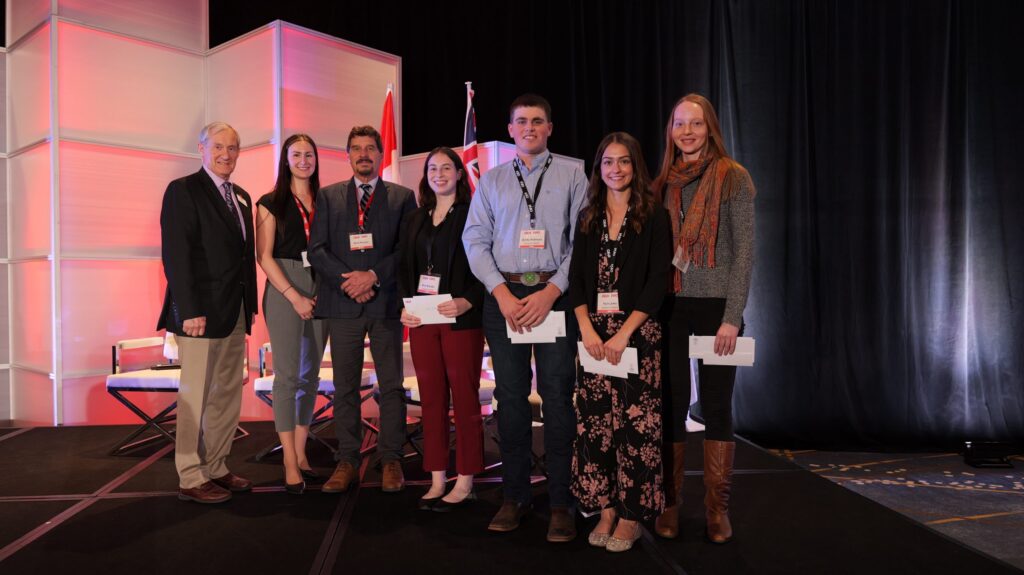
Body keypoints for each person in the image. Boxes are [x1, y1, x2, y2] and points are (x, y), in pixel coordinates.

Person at [463, 93, 587, 542]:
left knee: (557, 399)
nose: (530, 128)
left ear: (549, 128)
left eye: (538, 121)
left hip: (554, 294)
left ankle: (560, 502)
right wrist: (500, 292)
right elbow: (474, 240)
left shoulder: (574, 174)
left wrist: (552, 291)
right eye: (521, 122)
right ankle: (514, 496)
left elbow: (583, 242)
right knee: (510, 400)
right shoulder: (492, 180)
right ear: (511, 130)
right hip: (506, 299)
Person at [652, 94, 756, 543]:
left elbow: (744, 253)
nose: (687, 132)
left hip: (717, 313)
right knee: (670, 407)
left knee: (715, 407)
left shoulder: (733, 177)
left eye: (696, 124)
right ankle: (670, 504)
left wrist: (733, 317)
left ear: (710, 128)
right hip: (671, 308)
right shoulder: (660, 184)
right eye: (680, 124)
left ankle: (717, 508)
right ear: (671, 131)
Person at [569, 132, 672, 552]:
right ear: (599, 169)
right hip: (593, 337)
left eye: (624, 161)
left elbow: (657, 281)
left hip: (637, 335)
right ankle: (606, 506)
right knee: (596, 429)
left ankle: (631, 514)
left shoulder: (654, 215)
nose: (616, 169)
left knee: (636, 428)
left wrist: (625, 333)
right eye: (608, 162)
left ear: (636, 166)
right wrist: (588, 331)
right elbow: (575, 280)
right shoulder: (588, 215)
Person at [308, 126, 417, 494]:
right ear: (348, 155)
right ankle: (348, 460)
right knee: (345, 388)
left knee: (391, 387)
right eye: (356, 149)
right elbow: (318, 249)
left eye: (370, 148)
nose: (363, 154)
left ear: (381, 153)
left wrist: (371, 275)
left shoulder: (402, 197)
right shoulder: (328, 196)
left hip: (385, 302)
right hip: (342, 303)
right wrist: (348, 280)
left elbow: (407, 250)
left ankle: (390, 460)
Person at [158, 121, 257, 504]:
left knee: (226, 396)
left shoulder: (242, 196)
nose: (225, 154)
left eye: (233, 148)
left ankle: (217, 466)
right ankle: (190, 474)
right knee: (194, 397)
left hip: (235, 313)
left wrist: (249, 309)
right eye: (218, 147)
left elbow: (242, 257)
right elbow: (177, 256)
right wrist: (190, 310)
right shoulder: (183, 191)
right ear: (201, 149)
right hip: (200, 315)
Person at [398, 147, 485, 511]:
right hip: (422, 319)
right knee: (431, 399)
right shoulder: (415, 219)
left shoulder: (474, 215)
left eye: (446, 167)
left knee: (464, 399)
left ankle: (465, 478)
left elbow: (487, 265)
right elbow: (404, 266)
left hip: (461, 318)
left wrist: (469, 300)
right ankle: (436, 476)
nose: (439, 174)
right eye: (432, 168)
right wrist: (404, 305)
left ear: (460, 174)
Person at [255, 134, 327, 494]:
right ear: (285, 160)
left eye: (308, 155)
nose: (303, 160)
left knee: (310, 376)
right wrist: (294, 296)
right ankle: (287, 461)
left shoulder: (326, 201)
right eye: (296, 155)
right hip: (285, 288)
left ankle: (301, 454)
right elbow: (264, 256)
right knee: (287, 377)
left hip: (321, 287)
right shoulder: (270, 202)